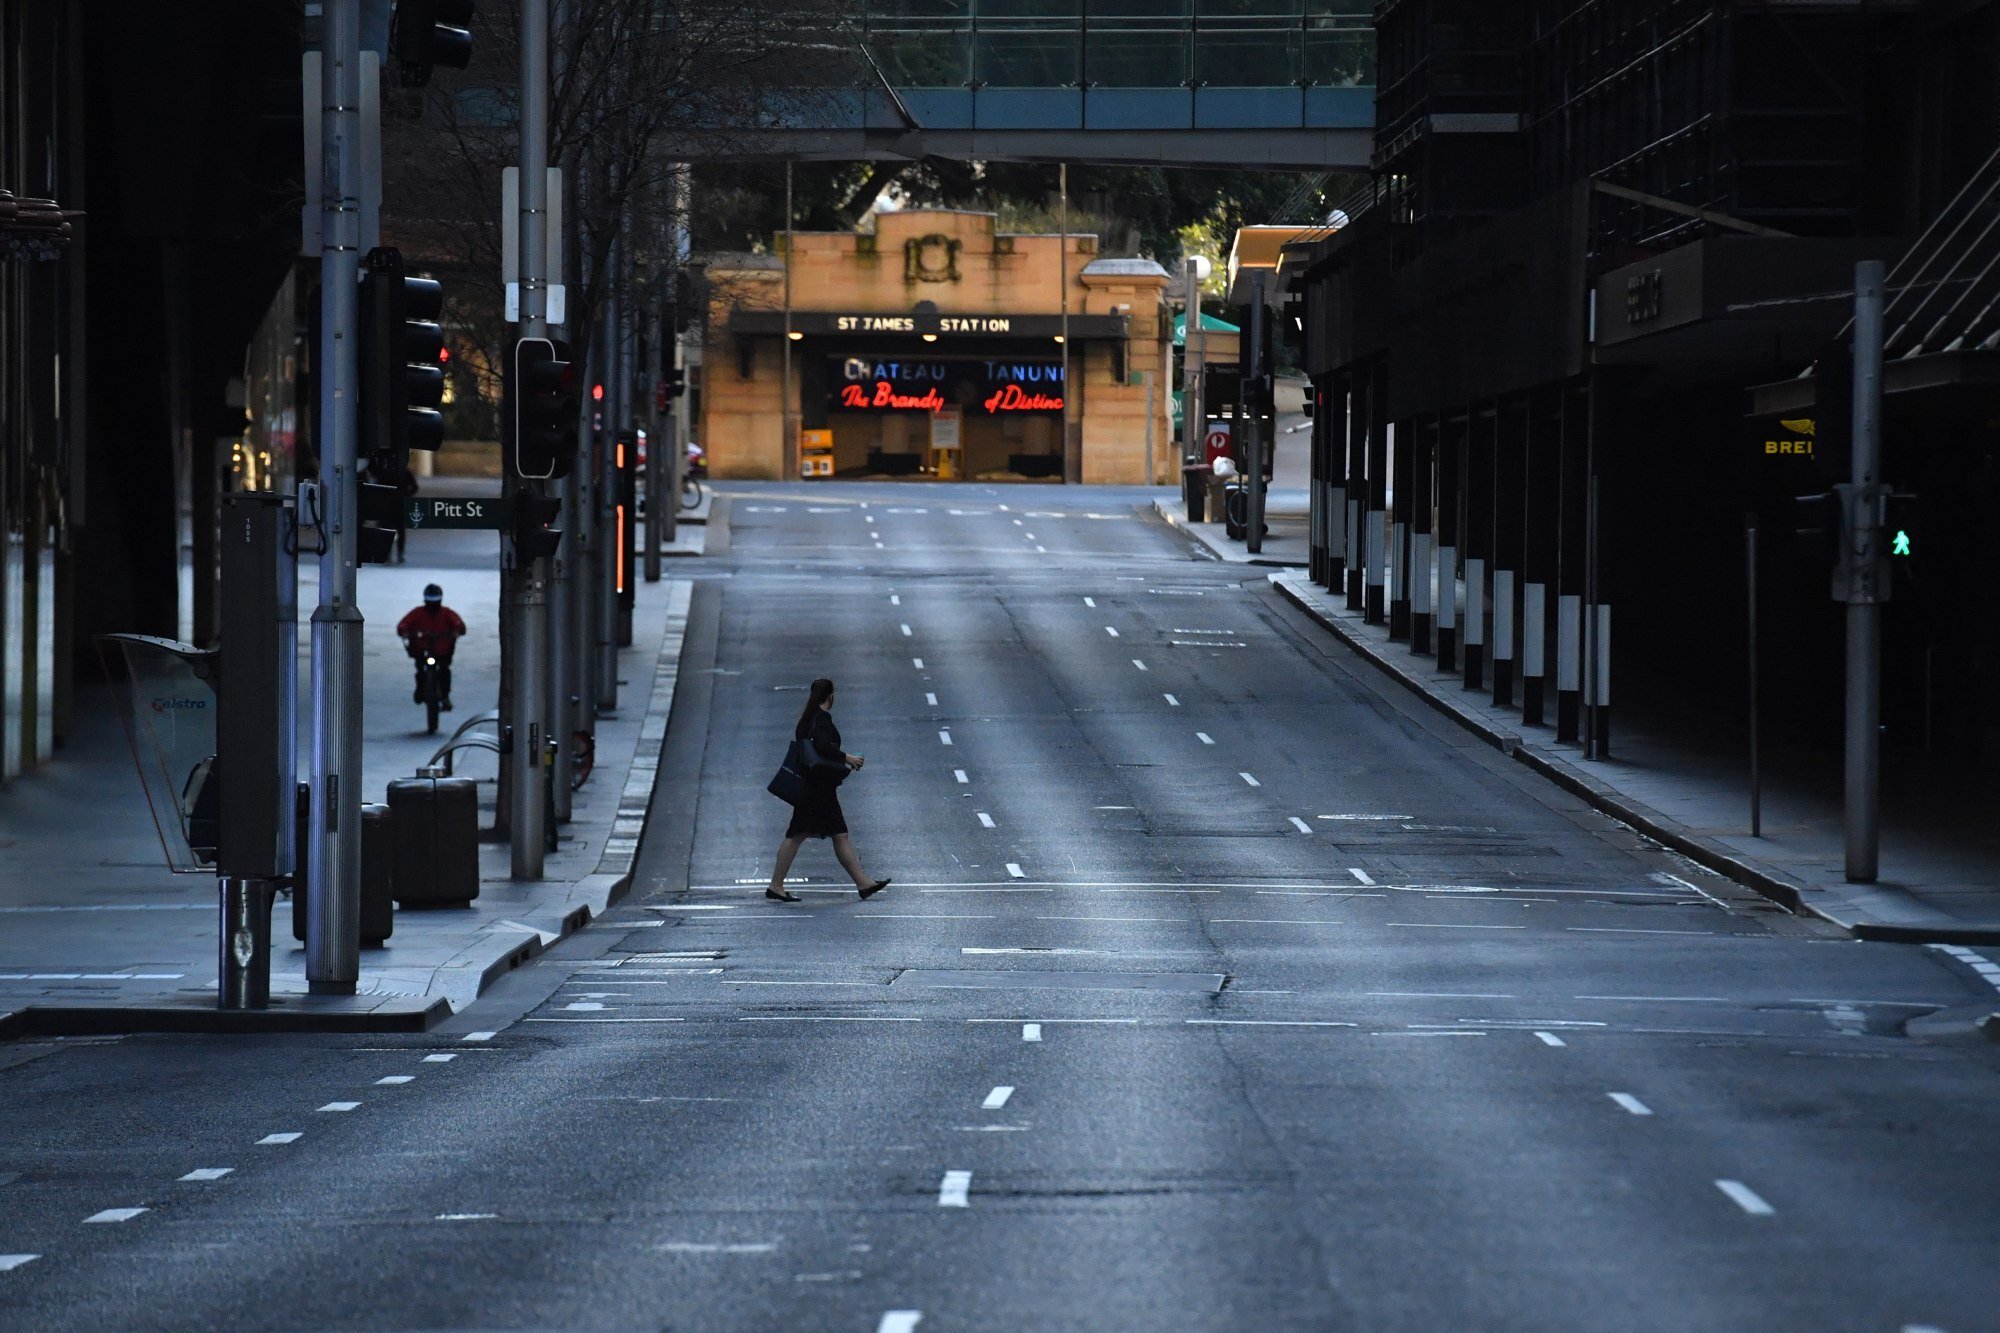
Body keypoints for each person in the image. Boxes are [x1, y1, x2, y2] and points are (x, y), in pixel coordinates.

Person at [767, 677, 890, 903]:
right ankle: (776, 885)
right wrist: (848, 758)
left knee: (811, 834)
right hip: (818, 791)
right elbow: (822, 747)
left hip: (811, 787)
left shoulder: (806, 720)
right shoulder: (822, 719)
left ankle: (863, 883)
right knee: (807, 835)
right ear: (830, 696)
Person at [396, 583, 467, 711]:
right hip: (422, 650)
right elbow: (404, 624)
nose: (433, 607)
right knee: (420, 670)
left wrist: (457, 631)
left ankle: (445, 696)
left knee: (445, 671)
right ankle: (420, 689)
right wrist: (404, 632)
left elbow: (458, 624)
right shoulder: (417, 613)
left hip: (442, 651)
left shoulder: (447, 613)